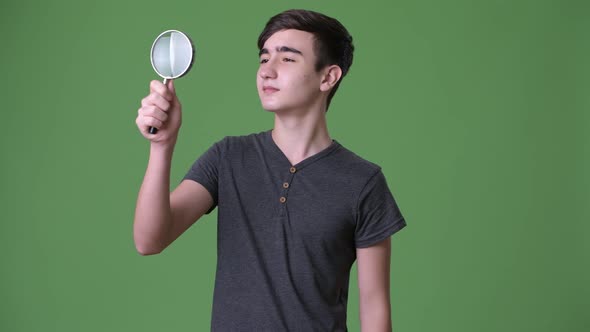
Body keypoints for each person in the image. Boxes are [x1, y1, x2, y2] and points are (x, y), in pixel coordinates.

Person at [134, 9, 406, 331]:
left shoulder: (363, 181)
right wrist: (162, 146)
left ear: (328, 77)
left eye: (287, 59)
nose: (267, 71)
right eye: (264, 59)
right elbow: (149, 240)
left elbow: (375, 311)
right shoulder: (228, 157)